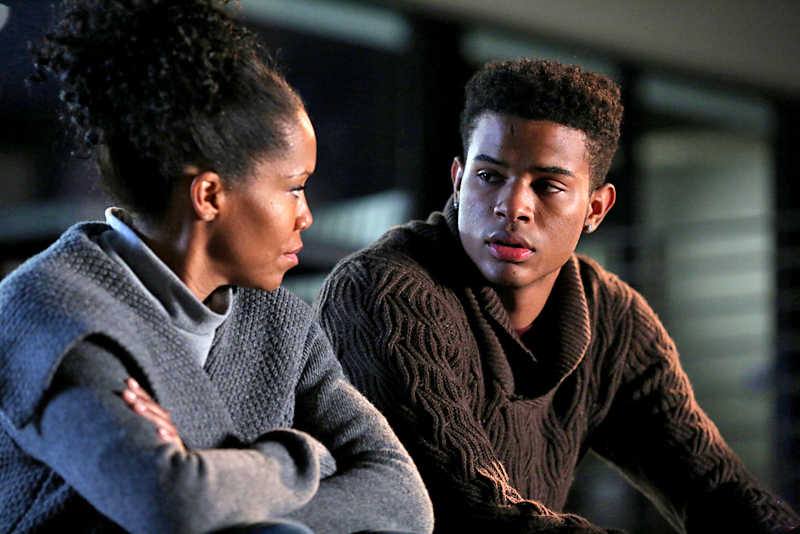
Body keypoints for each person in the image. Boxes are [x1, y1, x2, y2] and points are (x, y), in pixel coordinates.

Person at [0, 1, 433, 533]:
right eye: (294, 188)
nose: (306, 215)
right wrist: (307, 455)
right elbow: (171, 504)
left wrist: (217, 480)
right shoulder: (49, 312)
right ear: (209, 195)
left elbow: (405, 499)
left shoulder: (282, 324)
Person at [314, 58, 800, 533]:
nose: (513, 207)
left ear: (595, 209)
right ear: (459, 181)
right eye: (489, 176)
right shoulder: (381, 290)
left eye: (548, 186)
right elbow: (470, 511)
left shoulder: (611, 317)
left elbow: (717, 488)